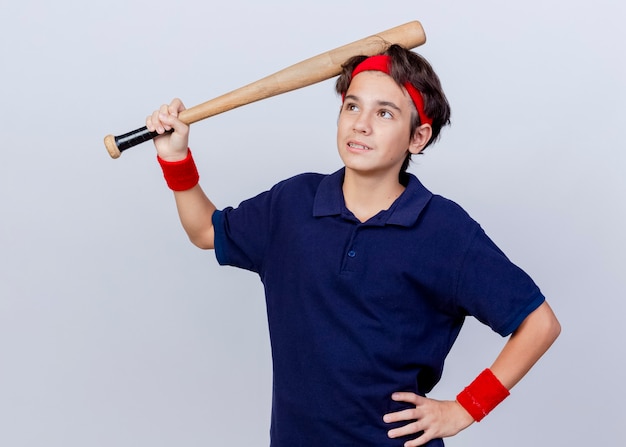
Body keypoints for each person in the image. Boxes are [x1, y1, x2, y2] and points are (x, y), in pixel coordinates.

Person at [145, 44, 560, 447]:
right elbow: (205, 231)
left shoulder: (445, 231)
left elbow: (539, 323)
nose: (361, 124)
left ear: (418, 137)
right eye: (352, 106)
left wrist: (466, 408)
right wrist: (175, 157)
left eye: (384, 113)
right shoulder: (291, 205)